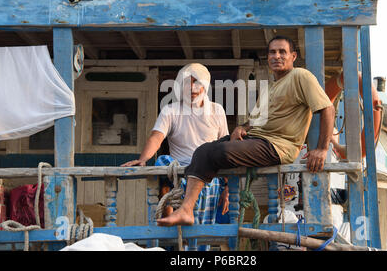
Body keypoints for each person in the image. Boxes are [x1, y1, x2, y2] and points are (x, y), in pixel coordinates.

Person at [157, 35, 336, 227]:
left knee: (220, 152)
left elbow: (327, 108)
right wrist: (242, 128)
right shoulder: (271, 87)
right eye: (272, 52)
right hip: (256, 139)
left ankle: (188, 209)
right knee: (202, 150)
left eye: (282, 52)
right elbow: (255, 120)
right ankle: (186, 210)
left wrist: (322, 149)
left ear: (293, 56)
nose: (277, 56)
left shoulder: (301, 76)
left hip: (277, 146)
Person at [121, 63, 230, 249]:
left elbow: (225, 148)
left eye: (197, 83)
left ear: (205, 85)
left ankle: (184, 224)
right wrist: (143, 159)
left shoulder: (216, 110)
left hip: (208, 177)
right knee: (162, 161)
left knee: (200, 237)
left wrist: (227, 188)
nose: (192, 88)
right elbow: (157, 136)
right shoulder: (170, 110)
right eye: (187, 83)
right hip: (179, 173)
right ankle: (174, 212)